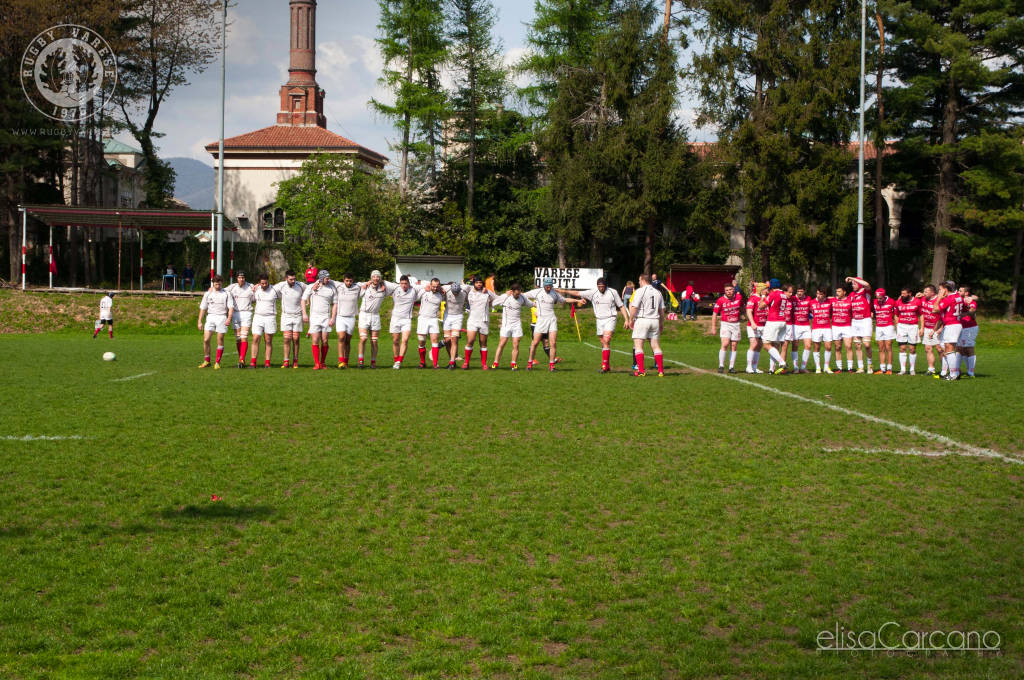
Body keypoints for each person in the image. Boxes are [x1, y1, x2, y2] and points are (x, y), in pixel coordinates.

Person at [564, 278, 630, 372]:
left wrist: (626, 319)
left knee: (606, 340)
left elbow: (621, 306)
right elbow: (577, 293)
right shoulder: (593, 292)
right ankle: (607, 366)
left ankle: (604, 365)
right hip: (599, 320)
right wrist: (563, 291)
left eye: (602, 286)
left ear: (606, 286)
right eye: (599, 286)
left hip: (610, 318)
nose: (601, 288)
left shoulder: (613, 292)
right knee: (603, 343)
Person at [524, 278, 579, 371]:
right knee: (535, 343)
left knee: (553, 343)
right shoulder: (537, 292)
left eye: (550, 286)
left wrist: (577, 301)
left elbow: (565, 300)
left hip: (552, 320)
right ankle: (530, 364)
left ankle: (552, 366)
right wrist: (510, 293)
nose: (549, 287)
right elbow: (523, 295)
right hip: (541, 321)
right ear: (544, 285)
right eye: (547, 286)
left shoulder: (554, 293)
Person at [627, 274, 667, 377]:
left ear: (642, 280)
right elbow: (662, 311)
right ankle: (661, 371)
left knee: (638, 346)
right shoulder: (658, 292)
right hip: (655, 321)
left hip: (643, 320)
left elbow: (634, 307)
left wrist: (631, 319)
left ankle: (641, 371)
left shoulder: (640, 291)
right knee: (656, 346)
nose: (638, 282)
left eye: (639, 280)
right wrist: (661, 323)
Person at [358, 270, 397, 368]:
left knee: (374, 341)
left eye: (378, 277)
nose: (376, 278)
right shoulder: (366, 287)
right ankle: (361, 361)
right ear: (371, 278)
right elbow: (356, 285)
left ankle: (373, 362)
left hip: (375, 316)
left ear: (380, 278)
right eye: (374, 277)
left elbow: (396, 286)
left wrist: (383, 283)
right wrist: (366, 284)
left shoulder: (384, 289)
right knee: (363, 338)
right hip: (364, 315)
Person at [301, 270, 339, 370]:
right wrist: (304, 314)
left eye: (329, 278)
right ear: (321, 278)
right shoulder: (312, 286)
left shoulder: (332, 288)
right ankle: (317, 363)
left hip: (326, 317)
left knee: (325, 341)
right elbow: (303, 300)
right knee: (315, 340)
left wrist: (333, 318)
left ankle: (323, 362)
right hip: (314, 317)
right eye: (326, 278)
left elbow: (335, 304)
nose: (328, 279)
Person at [491, 284, 534, 370]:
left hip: (517, 324)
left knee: (516, 344)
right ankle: (495, 363)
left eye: (519, 293)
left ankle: (513, 364)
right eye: (516, 294)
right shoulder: (505, 297)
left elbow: (532, 304)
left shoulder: (522, 297)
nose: (518, 295)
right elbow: (493, 303)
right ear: (512, 292)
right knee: (502, 343)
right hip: (506, 324)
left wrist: (541, 306)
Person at [197, 274, 235, 369]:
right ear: (213, 283)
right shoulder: (208, 293)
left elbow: (231, 307)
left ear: (222, 283)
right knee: (206, 339)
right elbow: (203, 308)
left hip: (222, 317)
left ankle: (217, 362)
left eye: (219, 283)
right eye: (216, 283)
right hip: (210, 317)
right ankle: (207, 361)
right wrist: (199, 321)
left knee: (220, 339)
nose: (218, 285)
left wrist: (229, 318)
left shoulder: (227, 293)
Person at [463, 275, 497, 369]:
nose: (479, 284)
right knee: (470, 340)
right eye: (477, 282)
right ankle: (466, 363)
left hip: (484, 320)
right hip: (472, 320)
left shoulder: (487, 292)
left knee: (483, 342)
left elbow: (497, 298)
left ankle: (484, 364)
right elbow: (460, 286)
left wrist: (491, 302)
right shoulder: (469, 291)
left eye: (480, 283)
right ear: (474, 283)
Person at [273, 269, 306, 368]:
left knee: (296, 339)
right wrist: (257, 286)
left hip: (297, 315)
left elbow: (311, 288)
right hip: (286, 316)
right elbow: (269, 289)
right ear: (286, 278)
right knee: (287, 339)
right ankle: (286, 361)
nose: (293, 281)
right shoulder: (281, 285)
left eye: (294, 279)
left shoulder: (300, 285)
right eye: (291, 279)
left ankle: (295, 360)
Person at [933, 280, 965, 380]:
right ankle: (951, 372)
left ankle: (954, 374)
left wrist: (939, 298)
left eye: (940, 290)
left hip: (952, 325)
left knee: (949, 349)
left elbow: (935, 309)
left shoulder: (949, 299)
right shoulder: (958, 297)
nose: (939, 292)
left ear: (945, 290)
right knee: (945, 347)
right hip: (954, 324)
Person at [760, 283, 793, 374]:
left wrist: (763, 296)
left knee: (766, 344)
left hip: (773, 321)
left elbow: (761, 306)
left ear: (772, 288)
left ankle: (782, 362)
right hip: (782, 321)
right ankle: (771, 369)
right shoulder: (784, 295)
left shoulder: (774, 293)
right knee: (775, 346)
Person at [224, 272, 256, 368]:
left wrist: (258, 285)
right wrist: (211, 289)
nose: (241, 279)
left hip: (246, 313)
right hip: (235, 313)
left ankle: (242, 359)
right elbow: (221, 290)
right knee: (238, 338)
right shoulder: (232, 287)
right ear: (237, 278)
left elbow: (260, 289)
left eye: (243, 277)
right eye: (239, 277)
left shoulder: (251, 286)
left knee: (244, 336)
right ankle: (241, 360)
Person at [389, 274, 421, 369]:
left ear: (408, 283)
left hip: (406, 319)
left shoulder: (413, 290)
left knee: (405, 340)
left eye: (405, 283)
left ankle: (399, 361)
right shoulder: (395, 289)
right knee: (395, 341)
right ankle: (396, 360)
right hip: (395, 319)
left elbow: (425, 285)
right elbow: (384, 283)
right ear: (399, 283)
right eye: (402, 283)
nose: (404, 285)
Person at [709, 283, 742, 373]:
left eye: (730, 289)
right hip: (725, 324)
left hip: (736, 324)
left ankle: (731, 367)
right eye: (727, 290)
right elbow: (714, 314)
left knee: (734, 345)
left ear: (733, 290)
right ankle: (721, 366)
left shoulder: (739, 297)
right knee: (725, 344)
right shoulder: (720, 300)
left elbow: (742, 307)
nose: (729, 292)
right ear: (724, 291)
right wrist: (713, 327)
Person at [334, 273, 364, 368]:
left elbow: (370, 282)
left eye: (350, 281)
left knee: (347, 340)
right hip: (340, 317)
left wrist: (370, 283)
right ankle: (340, 361)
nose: (348, 283)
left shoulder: (357, 286)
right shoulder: (339, 286)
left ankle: (346, 361)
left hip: (351, 317)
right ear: (344, 280)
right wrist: (316, 284)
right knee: (341, 337)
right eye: (347, 281)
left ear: (353, 280)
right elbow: (326, 280)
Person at [249, 274, 280, 368]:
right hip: (258, 317)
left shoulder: (275, 290)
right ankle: (253, 362)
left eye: (266, 283)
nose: (264, 285)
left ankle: (267, 362)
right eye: (262, 283)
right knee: (255, 338)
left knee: (268, 340)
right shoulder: (256, 289)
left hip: (270, 317)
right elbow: (250, 298)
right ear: (259, 283)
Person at [415, 278, 446, 368]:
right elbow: (415, 298)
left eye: (437, 287)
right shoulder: (424, 291)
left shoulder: (441, 294)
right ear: (430, 285)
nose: (435, 288)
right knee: (421, 341)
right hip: (423, 318)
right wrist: (424, 288)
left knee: (435, 340)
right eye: (433, 286)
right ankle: (422, 363)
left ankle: (435, 364)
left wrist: (442, 290)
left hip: (433, 319)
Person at [846, 276, 874, 373]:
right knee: (857, 345)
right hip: (855, 321)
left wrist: (852, 278)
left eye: (854, 284)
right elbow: (845, 301)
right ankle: (861, 367)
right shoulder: (851, 294)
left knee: (867, 344)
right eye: (852, 284)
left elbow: (867, 284)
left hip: (865, 320)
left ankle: (870, 365)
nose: (852, 285)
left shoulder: (865, 292)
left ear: (859, 283)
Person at [894, 287, 922, 375]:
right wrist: (897, 326)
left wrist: (922, 327)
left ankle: (912, 370)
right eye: (901, 294)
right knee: (902, 348)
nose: (902, 295)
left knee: (912, 349)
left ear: (910, 294)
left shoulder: (917, 301)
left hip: (913, 327)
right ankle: (902, 370)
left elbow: (921, 315)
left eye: (904, 294)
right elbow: (896, 315)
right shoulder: (898, 302)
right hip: (902, 326)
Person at [442, 280, 469, 369]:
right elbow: (436, 287)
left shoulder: (465, 289)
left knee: (454, 339)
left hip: (458, 316)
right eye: (454, 292)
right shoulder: (446, 289)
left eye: (457, 292)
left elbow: (476, 288)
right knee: (447, 341)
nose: (456, 294)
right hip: (447, 316)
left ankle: (452, 362)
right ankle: (451, 360)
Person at [809, 287, 834, 373]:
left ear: (824, 295)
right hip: (816, 328)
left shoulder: (830, 301)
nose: (818, 295)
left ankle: (826, 367)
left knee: (828, 347)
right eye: (817, 293)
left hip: (827, 327)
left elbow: (838, 299)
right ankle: (818, 367)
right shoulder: (811, 302)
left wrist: (830, 297)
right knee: (817, 347)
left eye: (820, 294)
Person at [830, 285, 854, 372]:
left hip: (847, 326)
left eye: (839, 291)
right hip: (835, 326)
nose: (837, 293)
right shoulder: (832, 300)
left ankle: (850, 368)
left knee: (848, 346)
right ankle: (839, 368)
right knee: (837, 347)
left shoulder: (850, 300)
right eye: (836, 291)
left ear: (844, 292)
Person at [872, 288, 897, 374]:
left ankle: (889, 369)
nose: (878, 300)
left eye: (880, 298)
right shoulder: (874, 302)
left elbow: (896, 314)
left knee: (888, 347)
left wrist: (896, 326)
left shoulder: (891, 301)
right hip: (879, 327)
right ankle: (882, 368)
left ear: (884, 296)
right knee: (881, 348)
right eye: (877, 298)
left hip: (888, 326)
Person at [745, 282, 768, 373]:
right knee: (753, 344)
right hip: (754, 325)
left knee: (759, 346)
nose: (767, 291)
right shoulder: (753, 298)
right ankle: (748, 367)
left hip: (763, 325)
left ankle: (755, 367)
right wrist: (752, 323)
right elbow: (749, 311)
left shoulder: (765, 298)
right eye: (765, 289)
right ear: (761, 290)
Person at [919, 284, 941, 376]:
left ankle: (945, 369)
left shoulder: (939, 300)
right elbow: (922, 314)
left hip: (937, 328)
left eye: (926, 291)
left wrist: (937, 329)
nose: (924, 293)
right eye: (924, 291)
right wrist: (922, 327)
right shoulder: (923, 299)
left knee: (940, 349)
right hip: (927, 327)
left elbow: (941, 317)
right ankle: (931, 369)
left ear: (933, 293)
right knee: (928, 348)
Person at [957, 286, 979, 377]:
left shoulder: (970, 301)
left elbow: (972, 310)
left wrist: (962, 314)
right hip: (961, 327)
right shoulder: (959, 300)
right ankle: (958, 370)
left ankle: (971, 371)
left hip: (970, 327)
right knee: (960, 349)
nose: (958, 292)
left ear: (966, 293)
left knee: (969, 348)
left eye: (960, 291)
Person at [791, 286, 813, 373]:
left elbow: (812, 309)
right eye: (798, 291)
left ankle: (803, 367)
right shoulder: (792, 299)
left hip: (806, 325)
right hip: (795, 325)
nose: (799, 293)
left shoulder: (808, 298)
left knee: (808, 346)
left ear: (804, 291)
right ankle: (796, 367)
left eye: (801, 291)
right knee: (795, 345)